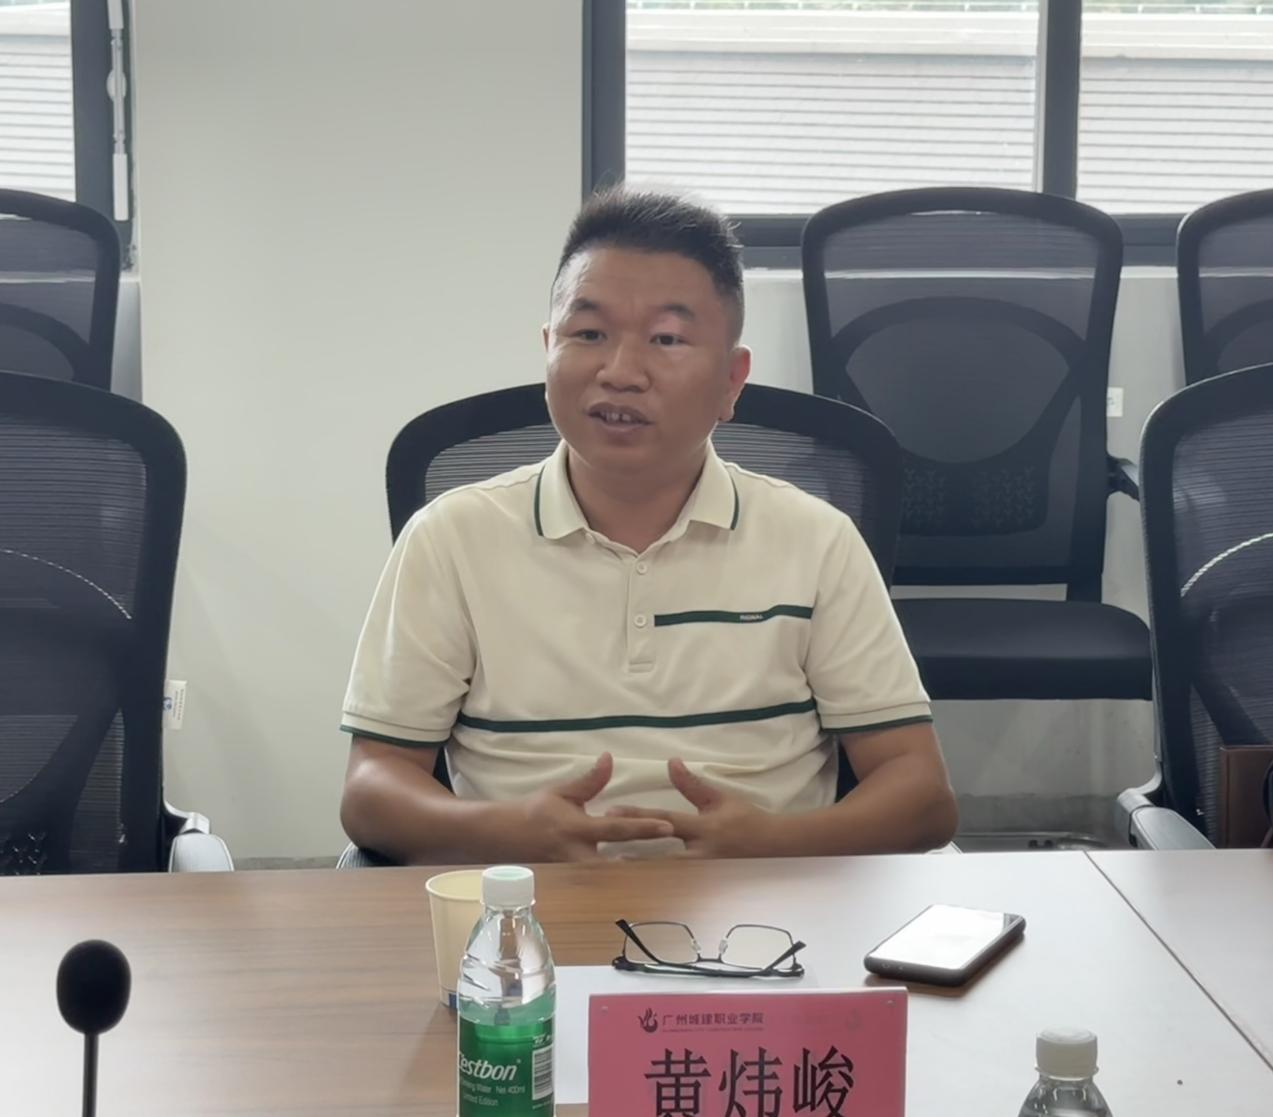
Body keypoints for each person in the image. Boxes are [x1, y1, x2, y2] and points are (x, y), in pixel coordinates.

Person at [340, 187, 957, 863]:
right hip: (530, 908)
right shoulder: (451, 538)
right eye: (588, 334)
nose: (620, 372)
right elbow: (372, 789)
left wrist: (773, 843)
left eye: (666, 339)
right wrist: (504, 832)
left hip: (762, 908)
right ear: (547, 350)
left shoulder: (817, 542)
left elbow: (920, 793)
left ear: (731, 380)